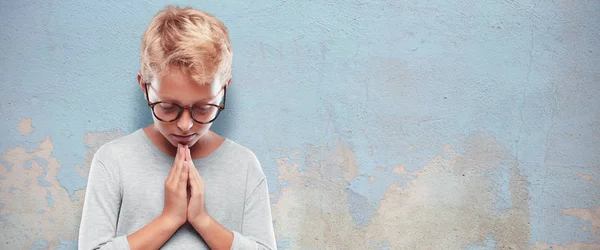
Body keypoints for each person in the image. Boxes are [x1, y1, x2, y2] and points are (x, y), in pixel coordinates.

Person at [78, 5, 276, 250]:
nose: (185, 125)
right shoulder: (113, 160)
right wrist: (169, 219)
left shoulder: (244, 165)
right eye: (169, 107)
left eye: (203, 108)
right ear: (145, 87)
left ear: (224, 90)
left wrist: (202, 220)